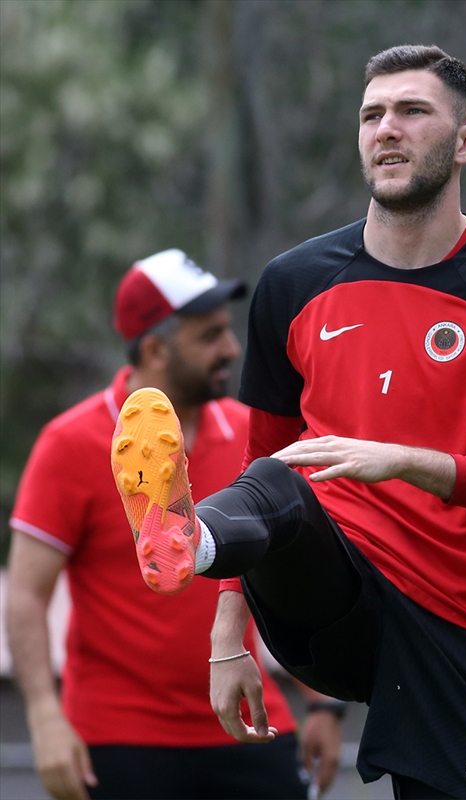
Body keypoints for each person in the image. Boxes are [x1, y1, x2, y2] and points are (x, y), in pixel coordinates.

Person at [107, 46, 466, 799]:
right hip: (332, 597)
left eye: (411, 112)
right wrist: (226, 637)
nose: (387, 129)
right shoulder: (293, 282)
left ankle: (198, 539)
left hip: (458, 622)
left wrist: (404, 459)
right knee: (279, 476)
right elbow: (261, 473)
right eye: (372, 115)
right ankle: (190, 539)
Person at [7, 250, 341, 800]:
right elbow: (25, 595)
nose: (231, 349)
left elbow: (290, 575)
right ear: (157, 349)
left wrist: (322, 703)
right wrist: (43, 717)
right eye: (210, 336)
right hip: (119, 737)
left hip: (246, 720)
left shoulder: (249, 436)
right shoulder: (69, 443)